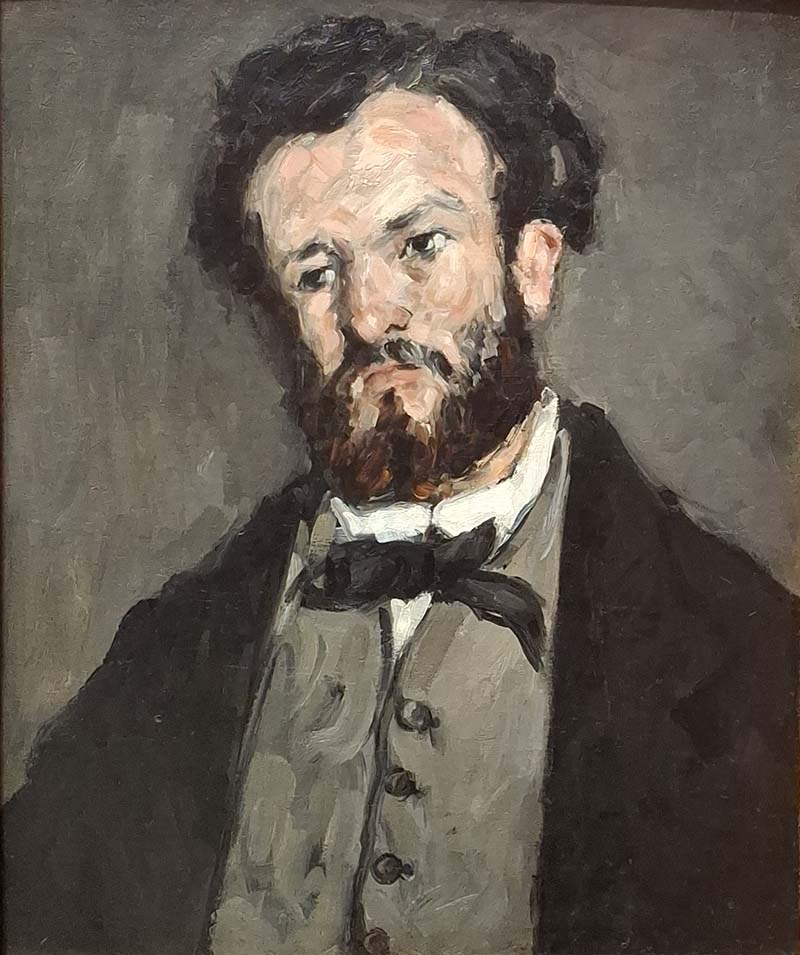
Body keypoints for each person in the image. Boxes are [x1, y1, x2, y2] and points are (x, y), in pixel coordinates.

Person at [4, 16, 797, 955]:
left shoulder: (751, 663)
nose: (369, 313)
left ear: (532, 264)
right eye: (316, 272)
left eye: (419, 243)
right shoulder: (165, 664)